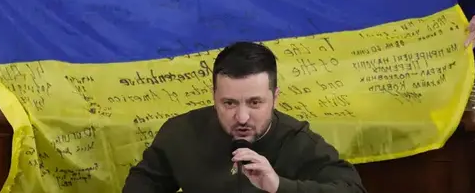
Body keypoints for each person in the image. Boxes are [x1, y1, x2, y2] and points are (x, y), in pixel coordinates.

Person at [122, 42, 367, 193]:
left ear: (275, 98)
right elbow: (145, 181)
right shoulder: (181, 133)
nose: (241, 117)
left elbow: (352, 189)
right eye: (229, 103)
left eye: (255, 102)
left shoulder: (298, 141)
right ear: (214, 96)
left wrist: (279, 186)